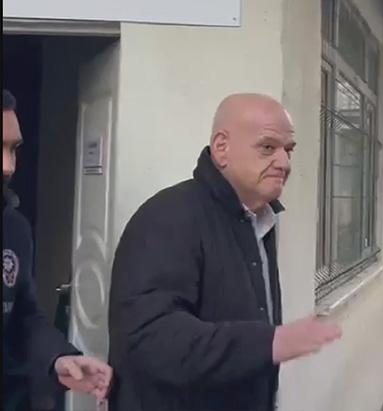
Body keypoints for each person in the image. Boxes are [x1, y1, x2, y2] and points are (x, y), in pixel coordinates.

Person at [108, 93, 342, 411]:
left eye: (288, 150)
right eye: (267, 147)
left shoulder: (259, 219)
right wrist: (271, 342)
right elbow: (151, 337)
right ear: (222, 148)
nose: (284, 163)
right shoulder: (168, 217)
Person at [3, 89, 113, 403]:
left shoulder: (14, 230)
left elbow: (23, 316)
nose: (8, 166)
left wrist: (58, 357)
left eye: (13, 149)